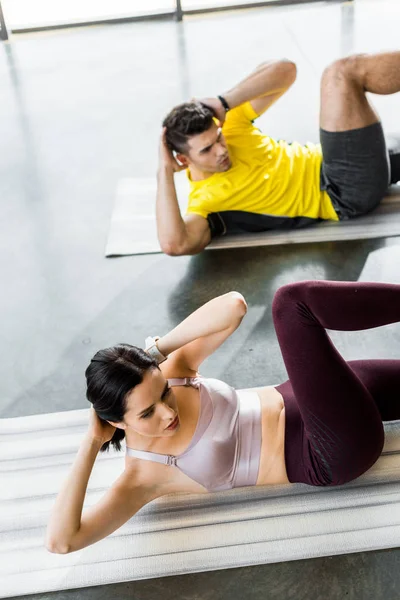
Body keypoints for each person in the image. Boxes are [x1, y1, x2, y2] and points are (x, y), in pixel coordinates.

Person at [47, 280, 400, 553]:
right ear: (116, 422)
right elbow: (63, 541)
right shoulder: (143, 475)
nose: (168, 412)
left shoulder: (170, 371)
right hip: (326, 450)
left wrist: (157, 351)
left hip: (312, 398)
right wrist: (92, 442)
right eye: (148, 413)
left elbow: (234, 306)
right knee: (290, 304)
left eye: (164, 393)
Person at [157, 53, 400, 256]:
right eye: (207, 150)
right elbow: (174, 245)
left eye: (217, 138)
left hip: (333, 159)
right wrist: (164, 172)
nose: (221, 149)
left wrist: (224, 101)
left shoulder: (230, 124)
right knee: (341, 73)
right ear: (184, 160)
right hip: (341, 189)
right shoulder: (206, 203)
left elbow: (286, 70)